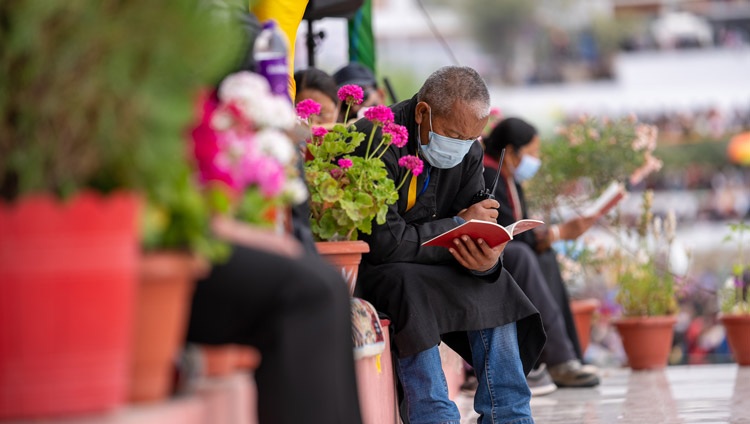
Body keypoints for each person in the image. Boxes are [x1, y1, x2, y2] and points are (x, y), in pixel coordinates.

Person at [353, 66, 545, 424]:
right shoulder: (377, 138)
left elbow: (476, 220)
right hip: (383, 268)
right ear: (424, 113)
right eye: (454, 134)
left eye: (470, 138)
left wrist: (486, 255)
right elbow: (384, 240)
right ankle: (434, 415)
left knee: (496, 282)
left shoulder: (468, 152)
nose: (460, 146)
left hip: (438, 263)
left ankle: (510, 415)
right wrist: (458, 225)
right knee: (408, 284)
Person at [483, 117, 600, 392]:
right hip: (491, 255)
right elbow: (508, 231)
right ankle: (559, 359)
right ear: (510, 153)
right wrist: (558, 234)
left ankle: (567, 356)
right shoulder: (490, 174)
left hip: (512, 250)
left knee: (544, 257)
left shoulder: (510, 178)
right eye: (532, 154)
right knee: (524, 255)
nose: (535, 161)